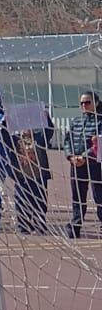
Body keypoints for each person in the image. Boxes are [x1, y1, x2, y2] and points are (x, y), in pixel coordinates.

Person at [69, 91, 100, 236]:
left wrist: (84, 156)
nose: (84, 105)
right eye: (81, 103)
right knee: (77, 196)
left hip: (95, 164)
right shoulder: (75, 121)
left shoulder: (100, 121)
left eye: (87, 102)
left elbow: (98, 142)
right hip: (76, 164)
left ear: (96, 103)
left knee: (99, 195)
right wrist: (71, 156)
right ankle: (75, 226)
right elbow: (67, 141)